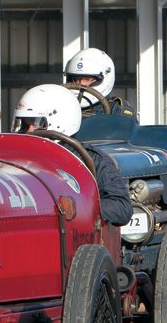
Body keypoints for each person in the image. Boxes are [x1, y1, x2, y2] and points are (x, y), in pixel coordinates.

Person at [12, 84, 133, 227]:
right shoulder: (11, 157)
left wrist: (79, 207)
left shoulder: (91, 160)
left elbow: (122, 207)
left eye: (37, 123)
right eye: (25, 124)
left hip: (73, 238)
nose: (29, 130)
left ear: (60, 120)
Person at [63, 47, 137, 120]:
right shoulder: (60, 105)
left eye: (88, 79)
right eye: (77, 79)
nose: (81, 84)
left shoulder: (116, 110)